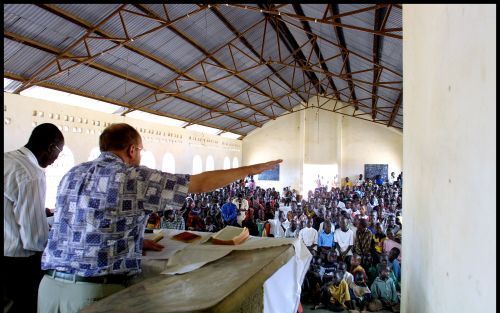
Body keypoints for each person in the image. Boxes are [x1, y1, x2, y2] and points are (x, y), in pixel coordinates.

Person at [38, 123, 281, 313]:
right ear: (132, 150)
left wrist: (132, 239)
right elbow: (199, 183)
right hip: (93, 293)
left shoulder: (72, 173)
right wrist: (251, 169)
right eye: (140, 149)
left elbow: (82, 220)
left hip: (48, 290)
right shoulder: (132, 176)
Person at [4, 123, 65, 313]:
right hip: (18, 264)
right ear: (51, 147)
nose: (56, 159)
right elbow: (34, 238)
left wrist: (40, 211)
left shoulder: (8, 159)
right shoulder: (32, 174)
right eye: (58, 152)